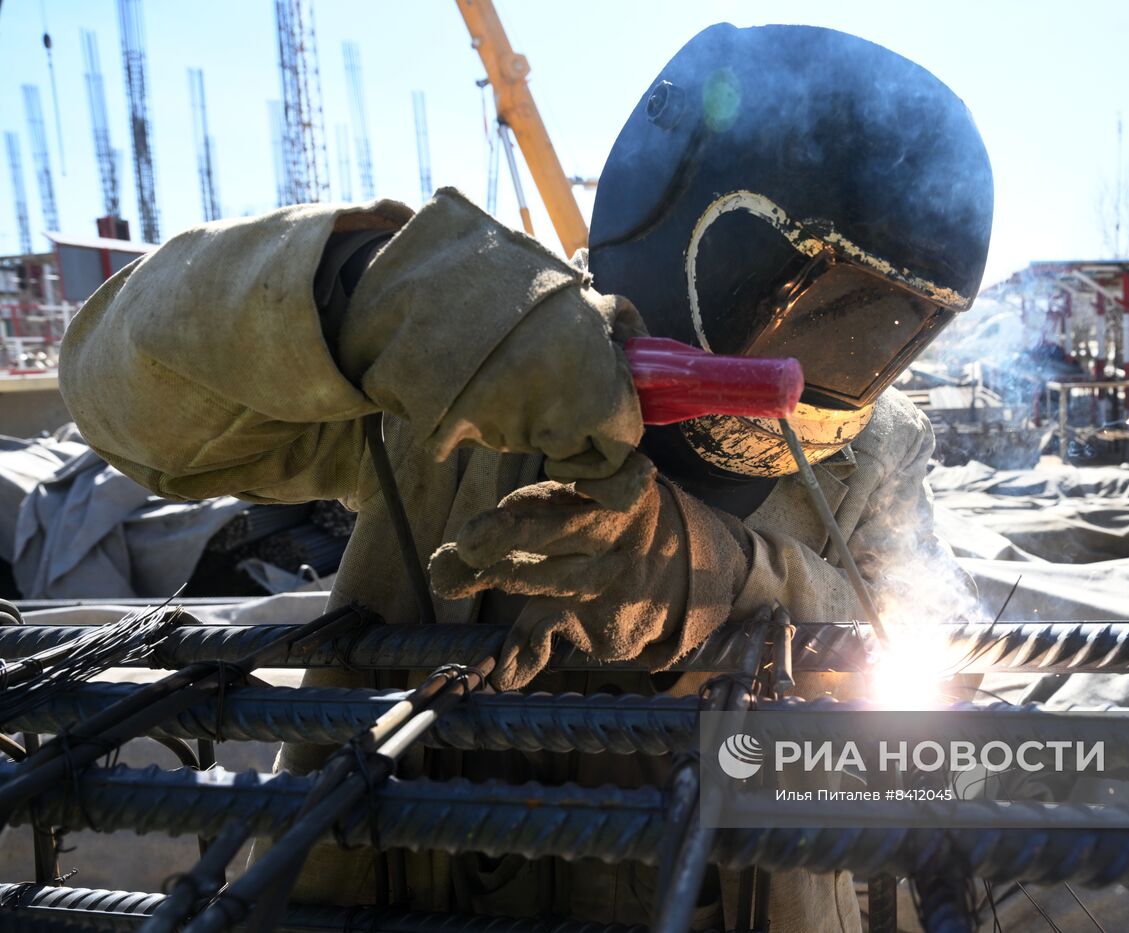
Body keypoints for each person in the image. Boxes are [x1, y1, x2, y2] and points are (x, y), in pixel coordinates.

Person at [58, 22, 992, 931]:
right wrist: (364, 291)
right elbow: (125, 400)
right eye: (811, 306)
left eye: (873, 326)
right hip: (397, 886)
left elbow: (932, 685)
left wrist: (719, 580)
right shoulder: (472, 353)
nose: (820, 354)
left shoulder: (876, 456)